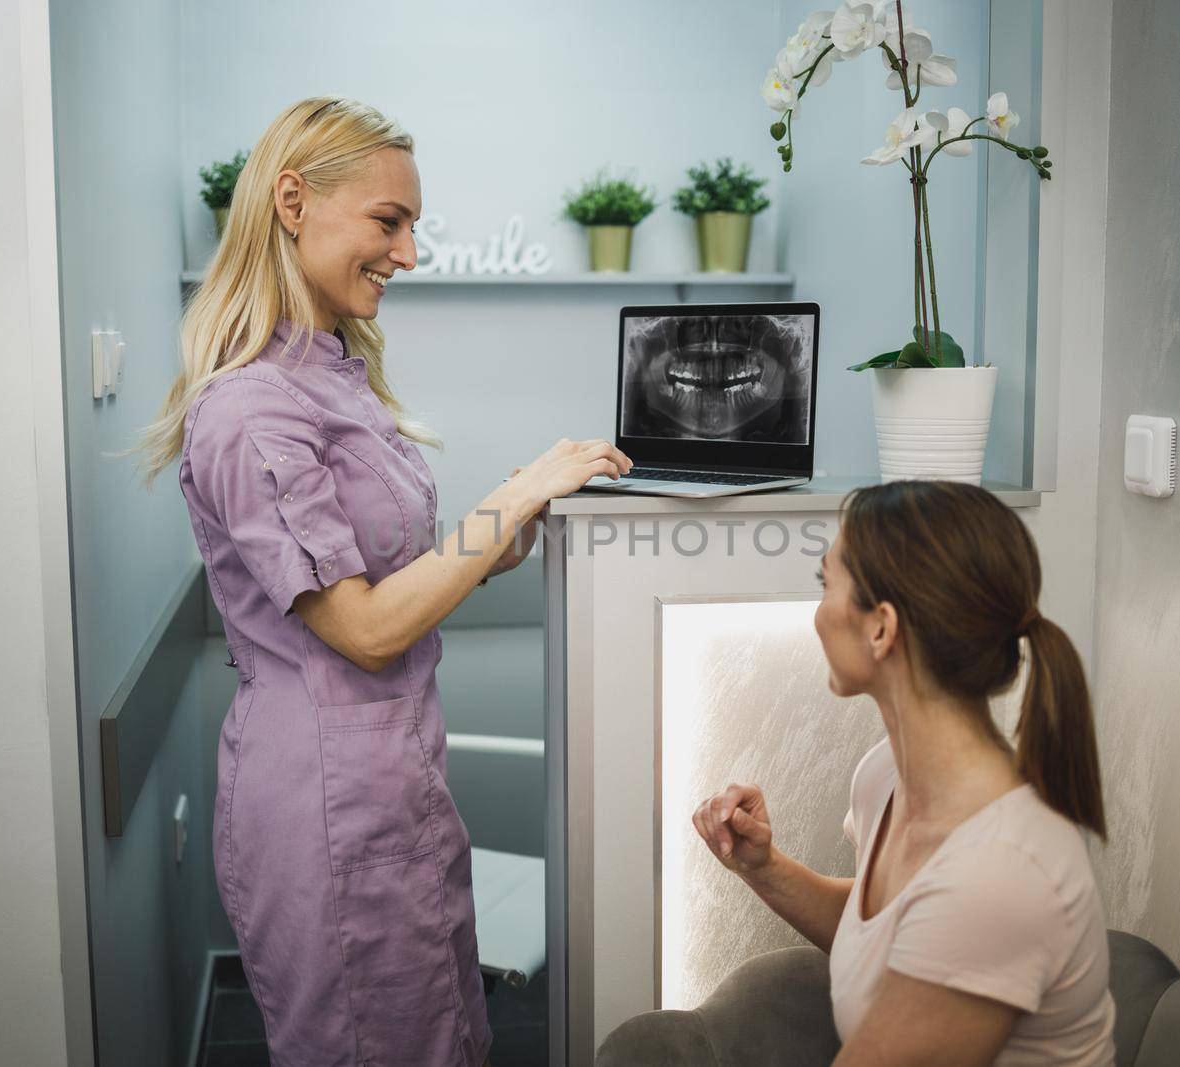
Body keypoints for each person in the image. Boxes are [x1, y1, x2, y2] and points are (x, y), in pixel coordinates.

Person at [135, 96, 631, 1066]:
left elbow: (393, 575)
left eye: (411, 226)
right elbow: (362, 627)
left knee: (439, 1036)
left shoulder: (333, 372)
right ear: (291, 202)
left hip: (398, 781)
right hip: (327, 797)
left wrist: (503, 535)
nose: (407, 254)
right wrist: (517, 486)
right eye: (388, 221)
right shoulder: (249, 410)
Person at [692, 480, 1115, 1066]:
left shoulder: (1001, 871)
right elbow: (886, 937)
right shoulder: (883, 778)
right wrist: (764, 869)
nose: (818, 613)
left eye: (826, 584)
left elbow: (947, 924)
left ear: (881, 628)